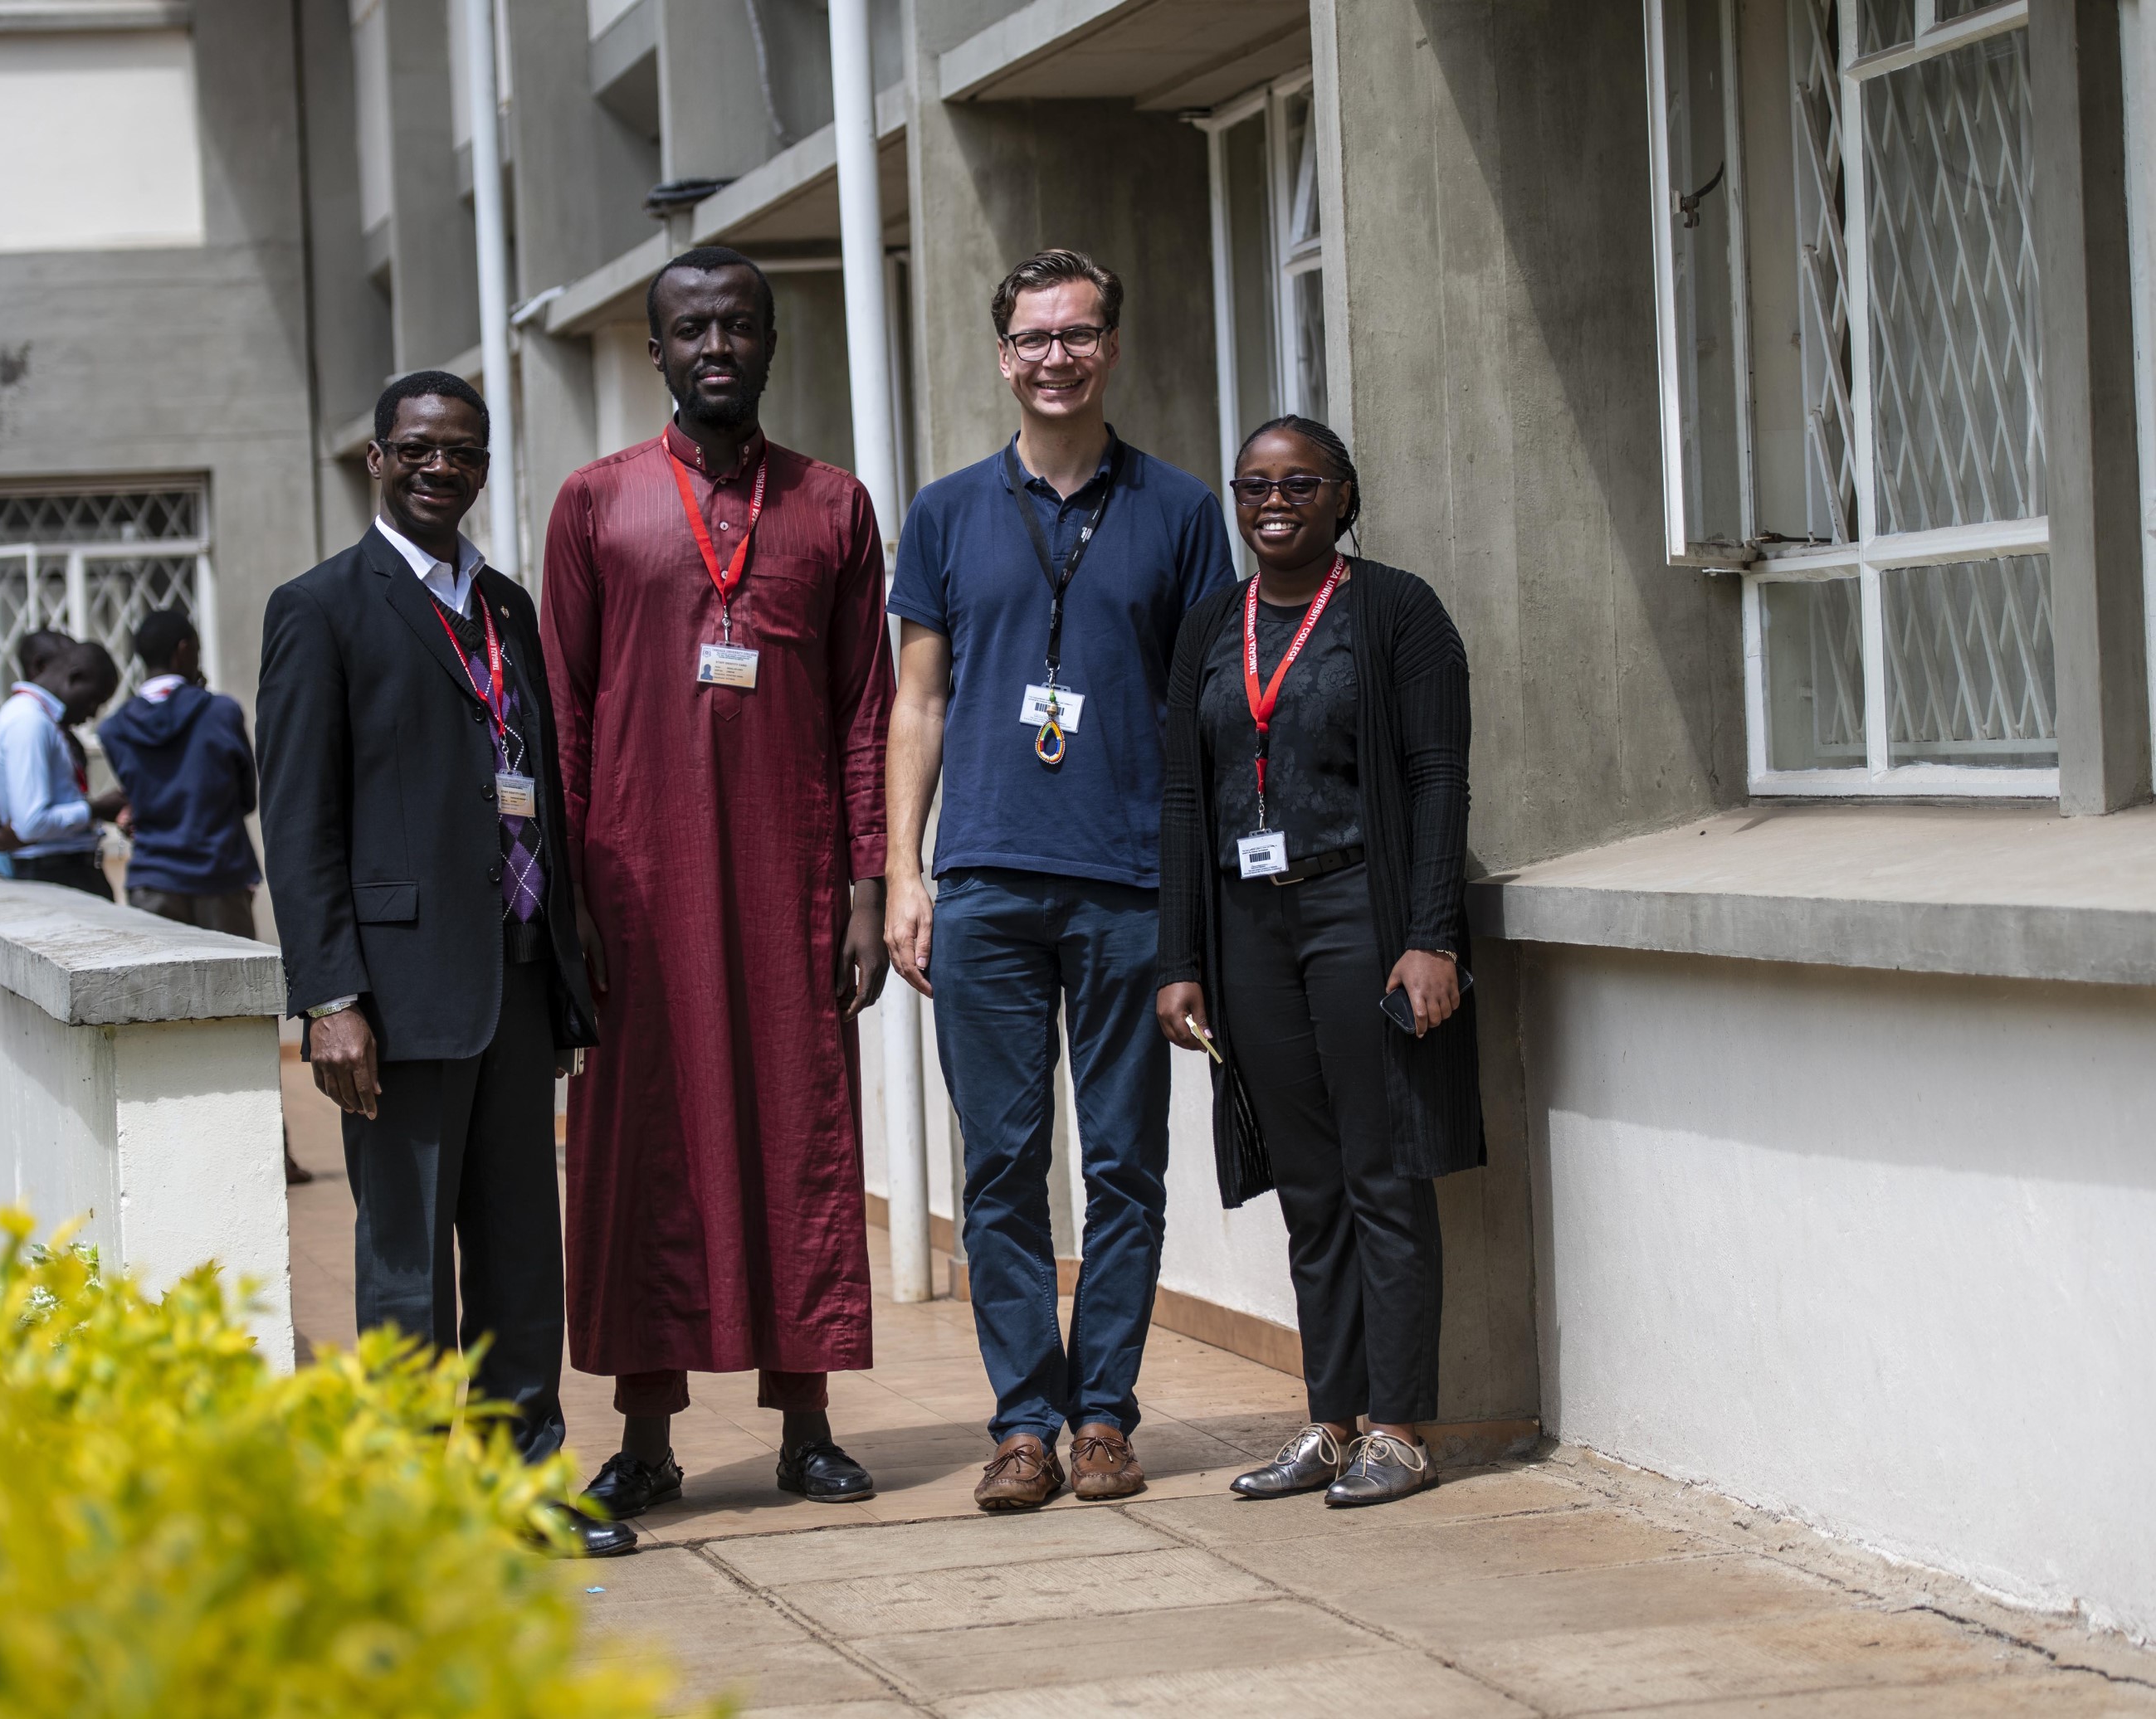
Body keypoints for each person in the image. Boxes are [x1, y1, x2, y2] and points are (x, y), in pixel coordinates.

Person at [543, 246, 894, 1520]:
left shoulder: (834, 506)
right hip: (636, 886)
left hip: (791, 879)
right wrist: (569, 895)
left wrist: (866, 884)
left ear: (770, 341)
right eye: (691, 329)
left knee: (800, 1134)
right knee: (647, 1150)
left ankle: (807, 1425)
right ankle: (645, 1438)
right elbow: (560, 714)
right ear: (655, 351)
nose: (716, 348)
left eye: (738, 326)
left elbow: (868, 709)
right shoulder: (597, 504)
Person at [256, 369, 632, 1558]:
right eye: (417, 449)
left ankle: (526, 1484)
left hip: (517, 981)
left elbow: (532, 784)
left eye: (461, 452)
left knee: (524, 1255)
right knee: (407, 1266)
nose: (439, 468)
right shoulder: (320, 608)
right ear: (376, 458)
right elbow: (298, 818)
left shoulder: (506, 606)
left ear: (481, 465)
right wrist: (328, 998)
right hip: (400, 997)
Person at [884, 249, 1235, 1512]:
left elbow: (1204, 718)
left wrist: (1196, 903)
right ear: (1002, 357)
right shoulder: (943, 512)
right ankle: (1023, 1423)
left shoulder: (1183, 512)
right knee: (1000, 1167)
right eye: (1033, 338)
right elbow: (916, 702)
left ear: (1111, 348)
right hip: (980, 882)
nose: (1055, 357)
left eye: (1077, 334)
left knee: (1126, 1166)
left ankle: (1104, 1418)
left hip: (1129, 887)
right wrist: (899, 872)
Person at [1154, 415, 1482, 1508]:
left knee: (1380, 1171)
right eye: (1253, 485)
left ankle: (1400, 1429)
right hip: (1252, 928)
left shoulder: (1397, 614)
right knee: (1308, 1184)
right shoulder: (1211, 624)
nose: (1274, 501)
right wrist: (1180, 956)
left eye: (1300, 483)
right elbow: (1185, 799)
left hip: (1360, 910)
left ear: (1345, 496)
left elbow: (1439, 779)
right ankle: (1330, 1422)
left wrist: (1429, 936)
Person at [98, 609, 261, 937]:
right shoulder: (220, 712)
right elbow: (246, 800)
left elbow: (139, 794)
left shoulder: (114, 729)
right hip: (220, 876)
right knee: (234, 985)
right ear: (184, 650)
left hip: (153, 879)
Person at [0, 639, 128, 897]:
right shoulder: (29, 721)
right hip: (56, 874)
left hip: (64, 870)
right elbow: (31, 824)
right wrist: (95, 809)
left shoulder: (40, 719)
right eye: (94, 699)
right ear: (75, 677)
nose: (93, 713)